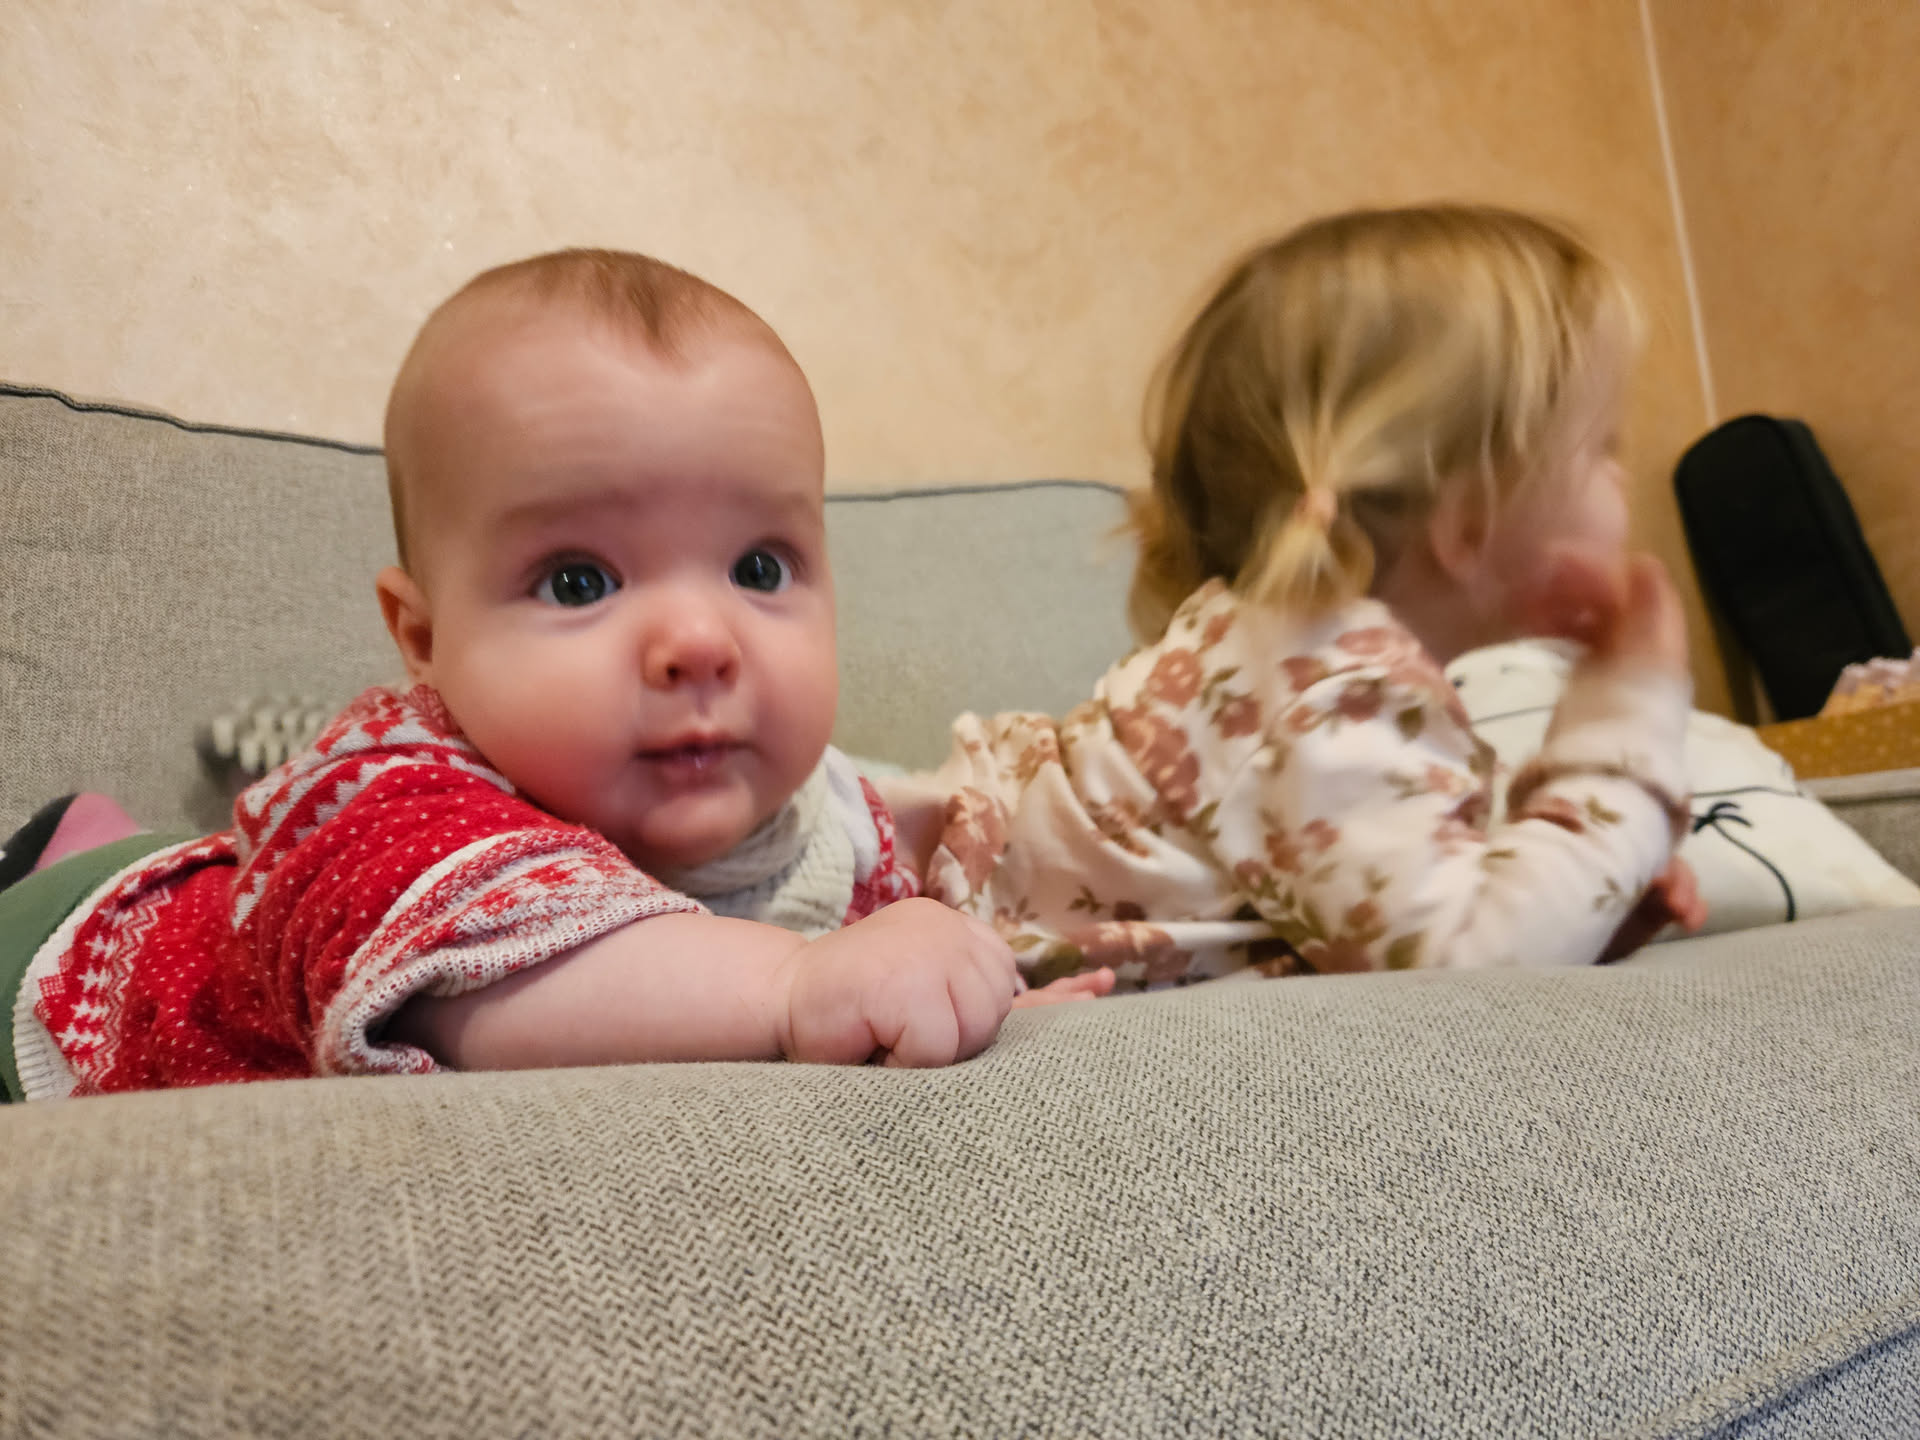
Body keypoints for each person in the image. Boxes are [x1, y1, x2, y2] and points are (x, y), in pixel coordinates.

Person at [0, 250, 1105, 1102]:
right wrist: (799, 985)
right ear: (424, 638)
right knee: (127, 892)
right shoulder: (395, 800)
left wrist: (960, 992)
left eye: (759, 568)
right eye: (580, 581)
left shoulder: (832, 817)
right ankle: (84, 850)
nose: (700, 642)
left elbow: (887, 944)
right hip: (65, 955)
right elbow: (501, 994)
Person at [880, 204, 1706, 988]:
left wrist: (1583, 903)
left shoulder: (1313, 663)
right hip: (889, 901)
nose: (1624, 476)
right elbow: (1462, 968)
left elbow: (1390, 909)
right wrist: (1623, 724)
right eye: (1604, 446)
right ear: (1466, 524)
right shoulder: (1336, 691)